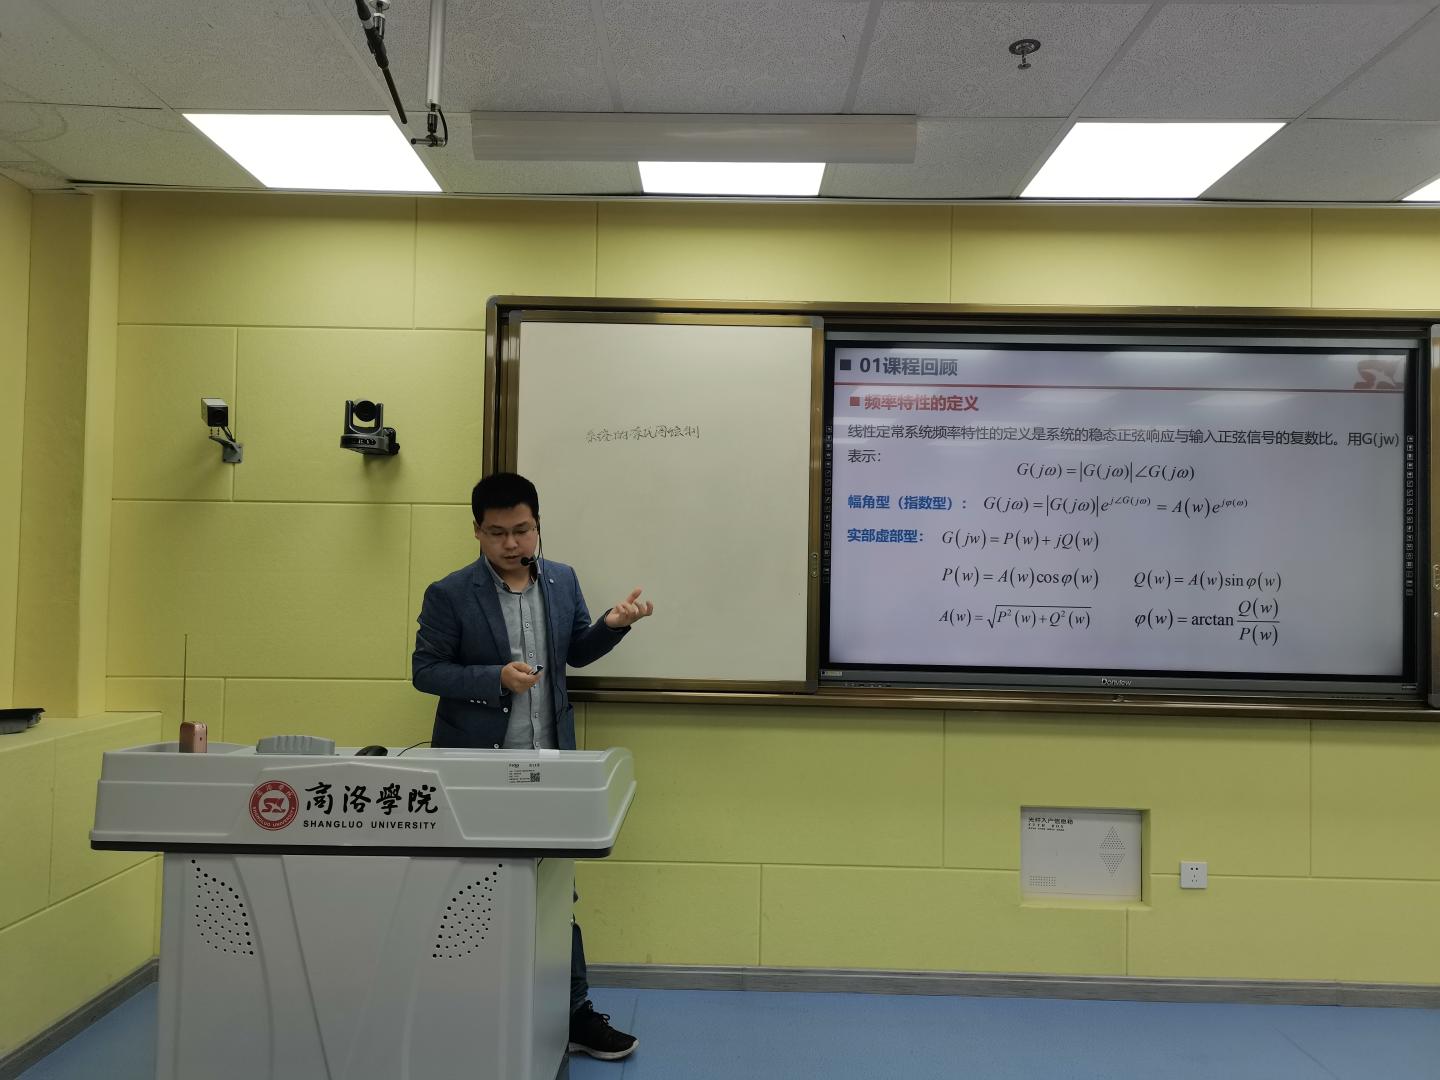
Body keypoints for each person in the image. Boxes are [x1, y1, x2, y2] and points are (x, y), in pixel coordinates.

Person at [412, 471, 653, 1062]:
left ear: (538, 525)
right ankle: (469, 1008)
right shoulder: (450, 593)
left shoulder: (562, 580)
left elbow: (576, 653)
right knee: (469, 892)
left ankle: (572, 1013)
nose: (511, 543)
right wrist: (494, 678)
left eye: (522, 530)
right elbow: (425, 670)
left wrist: (613, 626)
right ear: (477, 531)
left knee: (554, 893)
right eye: (497, 532)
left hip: (550, 767)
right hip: (478, 769)